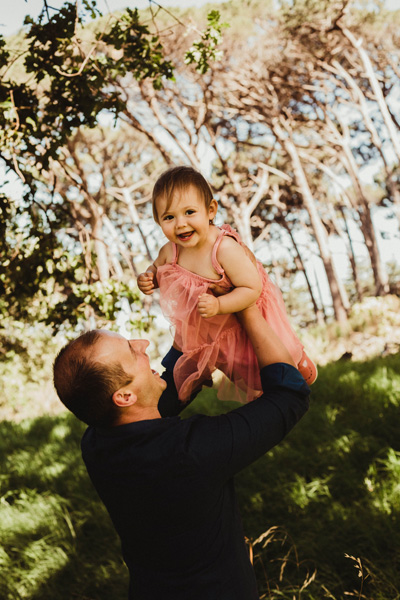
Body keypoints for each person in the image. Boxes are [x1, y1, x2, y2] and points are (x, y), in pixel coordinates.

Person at [53, 304, 310, 600]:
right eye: (131, 351)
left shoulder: (97, 443)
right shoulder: (191, 452)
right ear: (123, 396)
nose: (142, 344)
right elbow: (291, 396)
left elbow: (161, 394)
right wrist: (248, 310)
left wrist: (194, 320)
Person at [138, 165, 317, 403]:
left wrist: (220, 305)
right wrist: (148, 278)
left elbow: (251, 288)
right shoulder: (170, 251)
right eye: (169, 217)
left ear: (210, 210)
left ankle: (298, 362)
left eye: (189, 212)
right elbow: (157, 269)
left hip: (239, 311)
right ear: (158, 220)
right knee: (239, 367)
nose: (180, 223)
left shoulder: (223, 249)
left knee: (266, 354)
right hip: (210, 323)